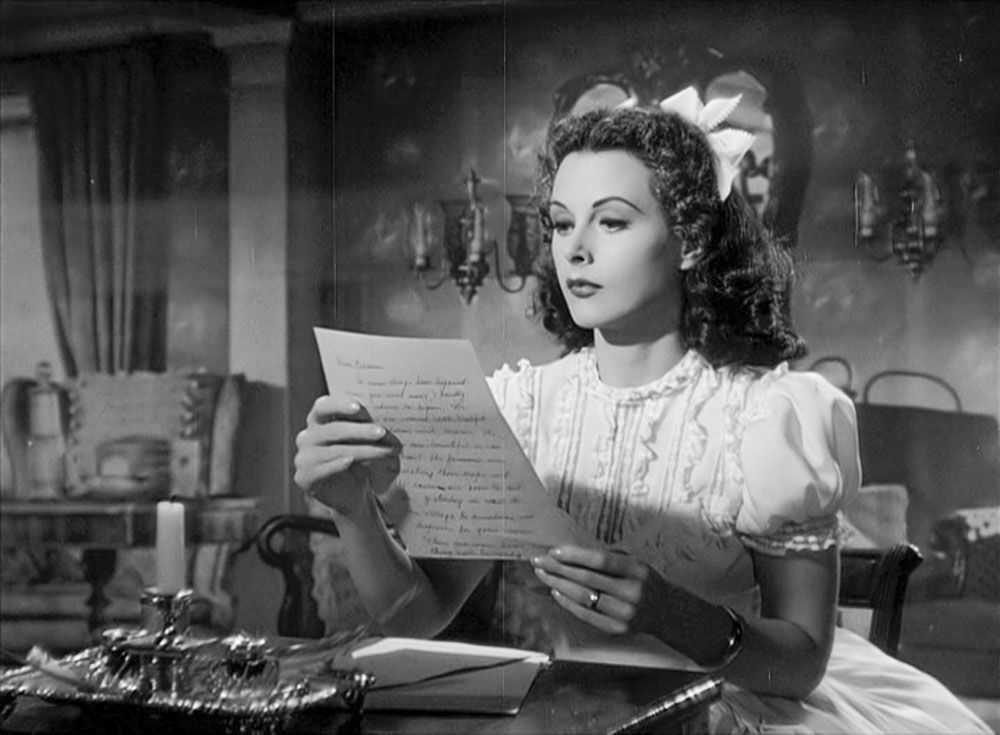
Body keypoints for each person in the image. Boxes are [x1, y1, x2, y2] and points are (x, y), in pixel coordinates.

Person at [294, 87, 991, 734]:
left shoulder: (767, 417)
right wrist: (354, 511)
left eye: (612, 221)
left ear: (690, 241)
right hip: (568, 714)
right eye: (561, 223)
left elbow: (801, 663)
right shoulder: (520, 407)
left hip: (725, 712)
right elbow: (418, 613)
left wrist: (674, 614)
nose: (576, 250)